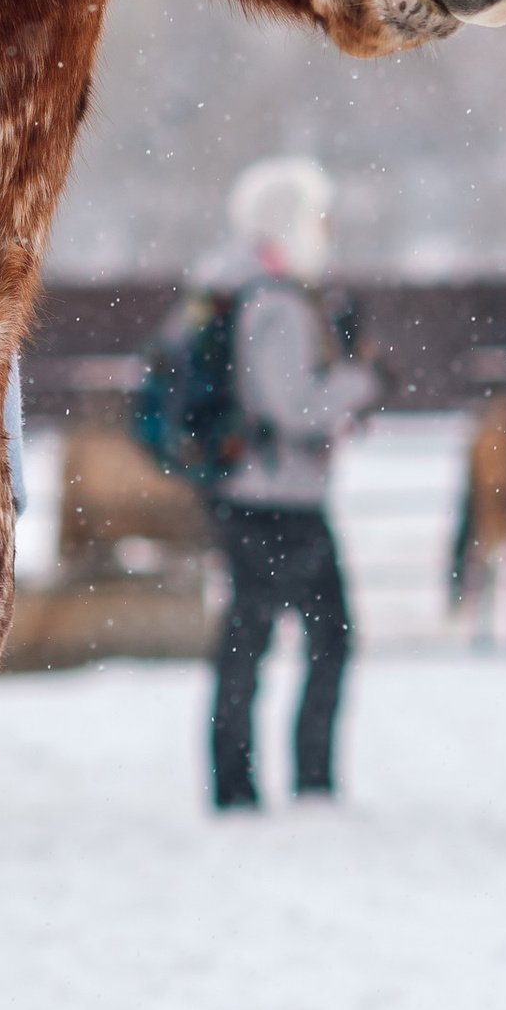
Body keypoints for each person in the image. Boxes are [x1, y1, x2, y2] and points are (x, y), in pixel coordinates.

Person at [202, 156, 375, 812]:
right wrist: (360, 383)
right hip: (279, 498)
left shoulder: (232, 286)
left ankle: (238, 783)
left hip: (246, 492)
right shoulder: (274, 301)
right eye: (318, 217)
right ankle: (302, 780)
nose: (326, 231)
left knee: (248, 639)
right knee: (325, 637)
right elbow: (294, 406)